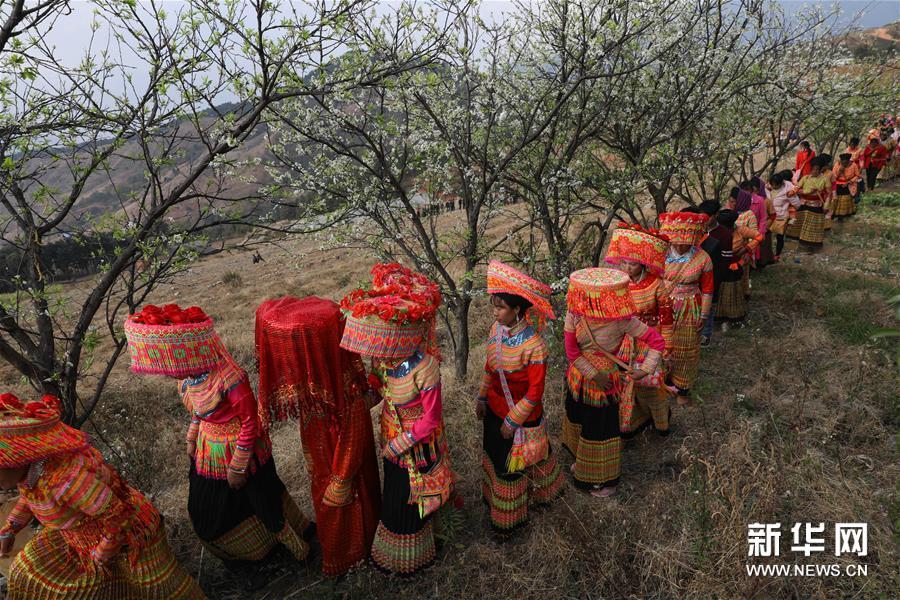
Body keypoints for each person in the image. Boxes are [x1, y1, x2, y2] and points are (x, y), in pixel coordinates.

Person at [124, 305, 313, 579]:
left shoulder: (230, 378)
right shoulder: (189, 378)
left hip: (242, 451)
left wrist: (238, 466)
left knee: (265, 504)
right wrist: (192, 439)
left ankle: (300, 553)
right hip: (209, 450)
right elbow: (199, 414)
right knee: (208, 511)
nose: (169, 374)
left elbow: (251, 421)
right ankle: (250, 556)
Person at [0, 393, 205, 599]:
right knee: (29, 571)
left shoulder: (66, 480)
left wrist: (103, 552)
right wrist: (10, 529)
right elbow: (30, 498)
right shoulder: (32, 473)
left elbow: (117, 514)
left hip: (129, 533)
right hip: (82, 533)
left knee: (158, 589)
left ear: (16, 460)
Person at [255, 296, 381, 576]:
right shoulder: (314, 388)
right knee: (327, 506)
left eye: (296, 352)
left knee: (342, 506)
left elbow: (355, 433)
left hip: (343, 467)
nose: (290, 362)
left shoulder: (343, 389)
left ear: (314, 352)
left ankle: (354, 561)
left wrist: (342, 478)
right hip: (321, 459)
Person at [340, 272, 453, 576]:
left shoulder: (425, 368)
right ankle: (393, 556)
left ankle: (412, 561)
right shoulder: (384, 361)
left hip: (416, 444)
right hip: (390, 438)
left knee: (410, 500)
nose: (375, 351)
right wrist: (360, 405)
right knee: (394, 493)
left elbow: (430, 419)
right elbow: (381, 390)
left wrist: (399, 444)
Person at [476, 261, 564, 534]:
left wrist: (512, 421)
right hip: (495, 407)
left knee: (523, 461)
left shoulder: (534, 346)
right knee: (497, 457)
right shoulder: (495, 331)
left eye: (501, 307)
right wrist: (481, 398)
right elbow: (490, 367)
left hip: (521, 416)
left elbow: (535, 392)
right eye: (494, 305)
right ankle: (497, 503)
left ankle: (514, 516)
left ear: (517, 309)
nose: (495, 312)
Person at [562, 267, 664, 497]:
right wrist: (594, 374)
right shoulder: (574, 314)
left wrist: (644, 370)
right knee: (582, 422)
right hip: (582, 380)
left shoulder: (622, 321)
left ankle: (606, 481)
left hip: (603, 385)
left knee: (601, 430)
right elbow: (570, 351)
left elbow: (657, 341)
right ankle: (585, 466)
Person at [604, 224, 674, 436]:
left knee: (649, 383)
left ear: (642, 264)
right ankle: (632, 422)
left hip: (650, 337)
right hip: (625, 340)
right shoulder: (619, 284)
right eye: (623, 262)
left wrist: (668, 346)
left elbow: (667, 317)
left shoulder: (657, 285)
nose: (626, 268)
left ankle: (661, 421)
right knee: (626, 382)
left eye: (632, 264)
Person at [658, 212, 714, 404]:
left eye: (685, 242)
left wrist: (704, 315)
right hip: (662, 306)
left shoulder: (703, 258)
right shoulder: (659, 254)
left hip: (690, 307)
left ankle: (682, 388)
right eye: (676, 241)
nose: (681, 245)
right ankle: (662, 383)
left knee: (687, 347)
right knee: (661, 345)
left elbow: (707, 289)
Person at [712, 208, 760, 326]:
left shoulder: (740, 230)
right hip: (719, 266)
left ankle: (733, 315)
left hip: (737, 264)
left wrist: (747, 249)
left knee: (734, 290)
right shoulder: (715, 232)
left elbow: (759, 237)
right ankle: (720, 314)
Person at [685, 204, 721, 348]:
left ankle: (704, 336)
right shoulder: (672, 249)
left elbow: (713, 278)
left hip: (699, 295)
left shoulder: (710, 246)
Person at [787, 155, 830, 252]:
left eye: (817, 169)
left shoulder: (825, 179)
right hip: (804, 205)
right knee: (802, 226)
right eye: (813, 169)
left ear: (820, 170)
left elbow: (828, 194)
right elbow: (797, 188)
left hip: (816, 206)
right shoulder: (805, 178)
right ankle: (802, 247)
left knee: (812, 228)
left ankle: (812, 247)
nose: (814, 171)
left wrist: (827, 205)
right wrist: (791, 192)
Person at [766, 172, 797, 260]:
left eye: (775, 185)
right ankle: (768, 254)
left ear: (780, 184)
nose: (773, 186)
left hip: (781, 217)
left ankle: (777, 254)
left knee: (780, 236)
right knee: (767, 235)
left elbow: (796, 203)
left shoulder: (789, 191)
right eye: (772, 184)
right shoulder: (768, 188)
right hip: (770, 215)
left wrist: (790, 212)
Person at [832, 153, 861, 222]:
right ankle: (835, 213)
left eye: (846, 162)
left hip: (849, 184)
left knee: (846, 197)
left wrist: (848, 182)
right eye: (843, 162)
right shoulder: (837, 165)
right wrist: (840, 171)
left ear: (848, 161)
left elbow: (857, 176)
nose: (844, 164)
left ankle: (844, 214)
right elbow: (833, 177)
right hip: (838, 183)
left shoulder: (853, 165)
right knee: (836, 197)